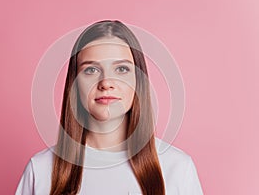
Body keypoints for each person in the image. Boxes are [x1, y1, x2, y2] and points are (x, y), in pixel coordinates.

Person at [16, 20, 203, 195]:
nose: (106, 83)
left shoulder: (178, 168)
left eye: (121, 69)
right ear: (74, 84)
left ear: (139, 82)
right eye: (91, 70)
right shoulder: (40, 170)